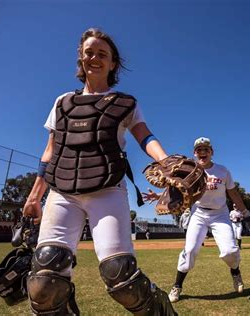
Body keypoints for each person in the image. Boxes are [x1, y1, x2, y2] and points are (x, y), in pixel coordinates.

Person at [22, 28, 176, 315]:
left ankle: (163, 310)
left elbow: (145, 136)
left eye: (102, 54)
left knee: (120, 276)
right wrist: (34, 196)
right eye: (89, 52)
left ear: (113, 63)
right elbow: (50, 151)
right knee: (44, 280)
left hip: (107, 190)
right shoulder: (62, 102)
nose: (95, 57)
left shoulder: (125, 102)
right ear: (81, 57)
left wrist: (166, 163)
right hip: (62, 192)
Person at [143, 137, 250, 303]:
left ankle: (235, 271)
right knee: (190, 249)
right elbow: (177, 191)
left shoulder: (223, 171)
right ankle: (177, 286)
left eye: (206, 149)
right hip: (198, 213)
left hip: (220, 214)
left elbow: (233, 193)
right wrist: (157, 195)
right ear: (194, 153)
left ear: (211, 152)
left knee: (230, 251)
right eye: (199, 150)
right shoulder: (188, 169)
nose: (202, 152)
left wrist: (243, 210)